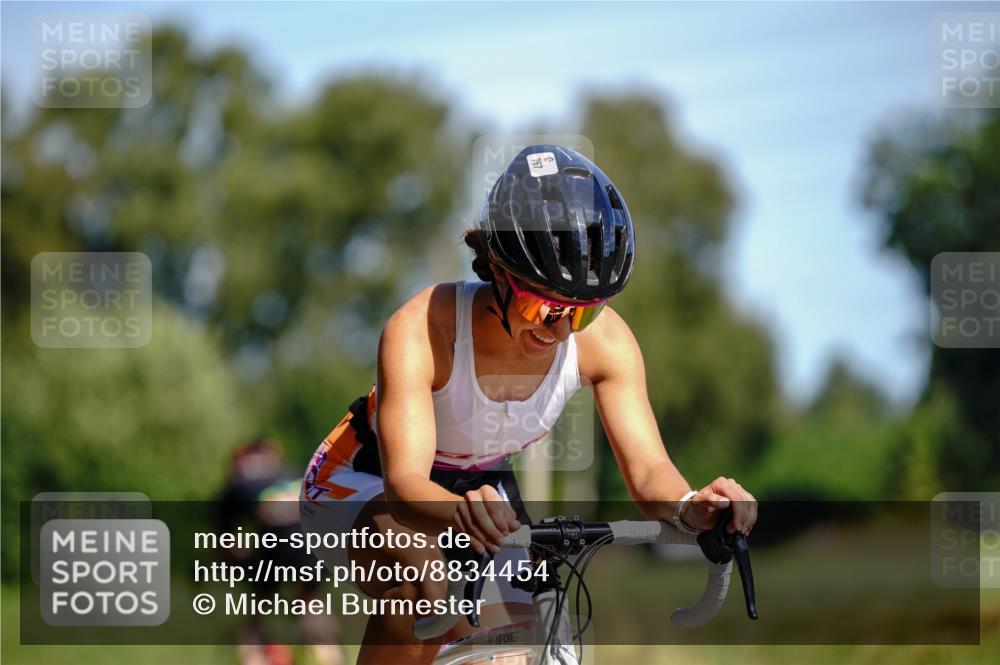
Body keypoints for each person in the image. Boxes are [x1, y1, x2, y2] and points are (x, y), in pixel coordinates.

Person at [300, 145, 757, 664]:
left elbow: (650, 469)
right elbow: (406, 486)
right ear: (496, 268)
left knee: (530, 641)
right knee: (424, 586)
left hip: (484, 491)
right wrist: (456, 510)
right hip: (364, 478)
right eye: (543, 304)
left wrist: (691, 506)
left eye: (581, 313)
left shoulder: (606, 344)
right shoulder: (425, 326)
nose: (560, 328)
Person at [220, 438, 343, 665]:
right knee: (310, 605)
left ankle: (256, 658)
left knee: (256, 615)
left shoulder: (237, 485)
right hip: (313, 545)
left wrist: (242, 567)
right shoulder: (293, 472)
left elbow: (229, 543)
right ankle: (329, 656)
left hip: (274, 546)